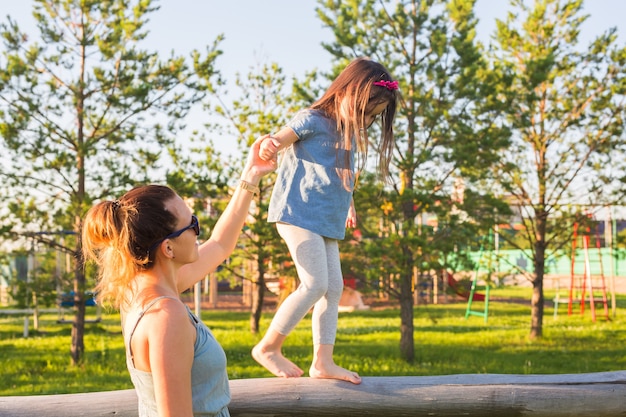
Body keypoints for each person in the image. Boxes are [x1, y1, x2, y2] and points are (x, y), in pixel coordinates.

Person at [81, 138, 276, 417]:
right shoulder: (166, 316)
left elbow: (220, 245)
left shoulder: (142, 289)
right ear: (168, 248)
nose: (199, 231)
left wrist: (251, 175)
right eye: (192, 225)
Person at [252, 57, 398, 385]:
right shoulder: (313, 119)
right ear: (346, 92)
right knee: (315, 283)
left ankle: (323, 361)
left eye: (372, 117)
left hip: (327, 218)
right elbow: (281, 138)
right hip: (297, 212)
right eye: (364, 111)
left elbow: (341, 175)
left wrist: (350, 205)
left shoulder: (347, 134)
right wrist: (271, 144)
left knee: (333, 289)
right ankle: (268, 347)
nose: (366, 120)